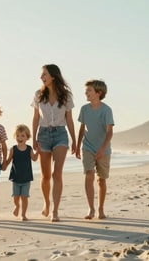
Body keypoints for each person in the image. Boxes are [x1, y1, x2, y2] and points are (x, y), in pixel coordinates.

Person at [32, 64, 76, 222]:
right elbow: (36, 118)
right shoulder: (38, 95)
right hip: (43, 135)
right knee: (45, 176)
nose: (41, 77)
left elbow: (69, 120)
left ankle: (55, 211)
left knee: (56, 174)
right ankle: (46, 203)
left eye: (44, 74)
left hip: (60, 135)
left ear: (53, 76)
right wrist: (34, 139)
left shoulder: (66, 96)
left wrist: (74, 140)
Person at [76, 79, 114, 220]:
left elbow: (109, 132)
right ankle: (91, 209)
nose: (86, 93)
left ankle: (101, 208)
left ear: (99, 93)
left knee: (101, 180)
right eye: (86, 90)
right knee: (89, 174)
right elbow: (82, 129)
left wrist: (102, 149)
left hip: (103, 149)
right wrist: (77, 145)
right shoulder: (84, 109)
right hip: (87, 147)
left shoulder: (106, 110)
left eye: (89, 90)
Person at [3, 124, 39, 221]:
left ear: (27, 137)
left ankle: (23, 214)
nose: (20, 138)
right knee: (15, 197)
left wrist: (38, 151)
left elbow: (34, 159)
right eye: (18, 135)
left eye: (23, 135)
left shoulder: (29, 149)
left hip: (26, 178)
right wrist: (3, 164)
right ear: (15, 137)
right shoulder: (13, 149)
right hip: (15, 178)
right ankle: (17, 206)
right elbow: (8, 160)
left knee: (24, 197)